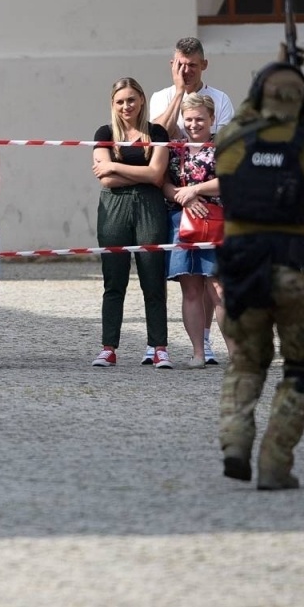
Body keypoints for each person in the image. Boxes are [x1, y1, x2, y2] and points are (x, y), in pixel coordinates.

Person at [214, 62, 304, 490]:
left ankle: (235, 440)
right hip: (299, 271)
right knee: (303, 368)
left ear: (256, 96)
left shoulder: (231, 140)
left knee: (246, 360)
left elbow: (233, 132)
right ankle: (275, 462)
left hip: (243, 269)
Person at [90, 77, 171, 368]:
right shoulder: (104, 132)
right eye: (121, 101)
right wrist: (132, 171)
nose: (127, 106)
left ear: (141, 101)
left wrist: (114, 164)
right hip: (114, 206)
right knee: (114, 279)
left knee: (153, 278)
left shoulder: (157, 132)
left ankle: (158, 346)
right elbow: (105, 178)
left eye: (132, 99)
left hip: (150, 205)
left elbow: (157, 176)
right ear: (113, 104)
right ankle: (109, 347)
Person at [160, 93, 225, 368]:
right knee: (190, 289)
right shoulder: (176, 148)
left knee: (219, 289)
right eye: (188, 119)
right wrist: (182, 196)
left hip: (215, 221)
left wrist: (194, 190)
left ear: (212, 119)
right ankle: (198, 352)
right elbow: (163, 182)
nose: (194, 124)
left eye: (200, 118)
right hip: (181, 221)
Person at [149, 37, 235, 140]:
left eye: (192, 65)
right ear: (173, 65)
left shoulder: (221, 99)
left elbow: (225, 142)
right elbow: (158, 136)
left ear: (204, 64)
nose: (186, 71)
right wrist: (179, 92)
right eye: (180, 65)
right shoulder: (160, 97)